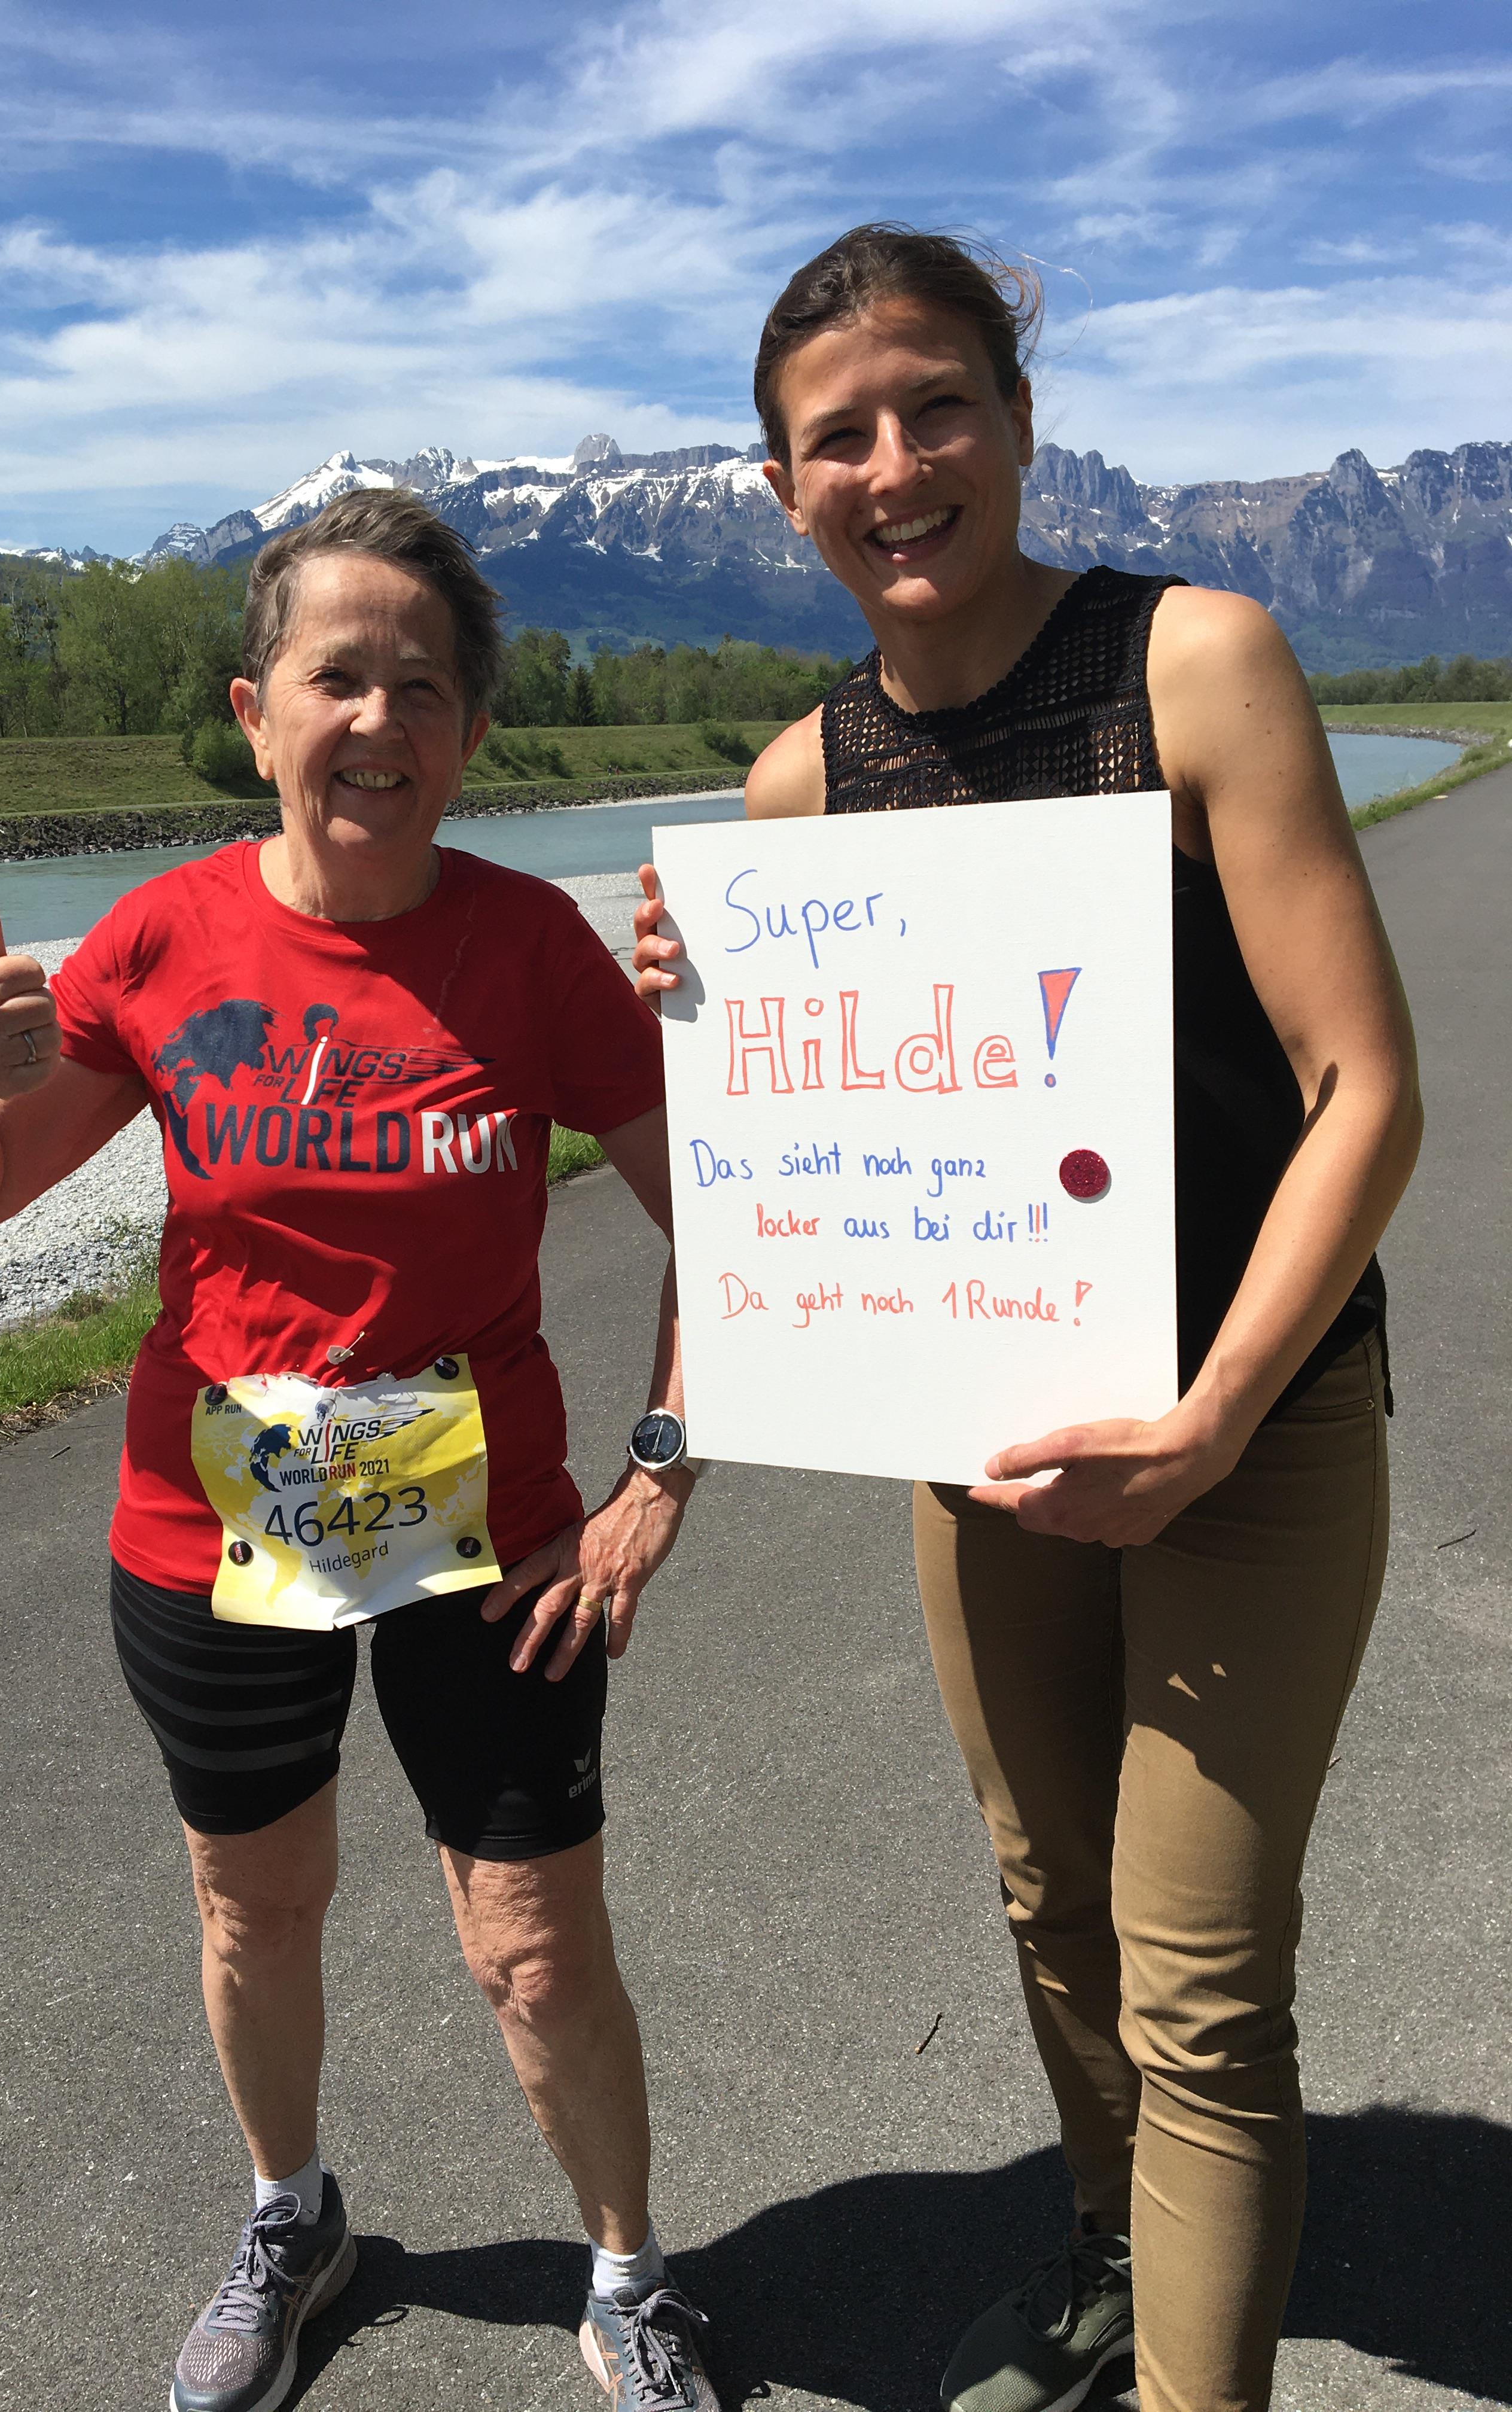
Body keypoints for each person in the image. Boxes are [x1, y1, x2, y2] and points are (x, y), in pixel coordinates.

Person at [632, 226, 1420, 2412]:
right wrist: (703, 1001)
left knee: (1199, 1988)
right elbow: (787, 1153)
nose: (895, 465)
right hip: (978, 1438)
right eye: (836, 437)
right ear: (781, 484)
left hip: (1251, 1432)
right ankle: (1107, 2247)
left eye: (936, 407)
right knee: (1044, 1899)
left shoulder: (1196, 665)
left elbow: (1367, 1087)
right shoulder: (800, 786)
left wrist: (1215, 1411)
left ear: (1020, 418)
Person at [0, 488, 721, 2412]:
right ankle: (295, 2217)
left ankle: (627, 2268)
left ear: (473, 735)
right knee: (253, 1906)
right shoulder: (163, 940)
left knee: (529, 1944)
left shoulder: (529, 954)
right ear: (254, 711)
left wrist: (661, 1467)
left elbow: (726, 1225)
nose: (378, 720)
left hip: (490, 1540)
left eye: (419, 686)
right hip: (209, 1532)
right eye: (335, 677)